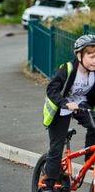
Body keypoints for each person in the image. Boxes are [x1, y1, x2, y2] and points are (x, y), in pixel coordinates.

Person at [42, 34, 95, 192]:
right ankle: (48, 186)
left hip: (81, 105)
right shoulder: (68, 69)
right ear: (79, 55)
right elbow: (51, 89)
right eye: (91, 56)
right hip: (60, 108)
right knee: (56, 149)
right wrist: (65, 103)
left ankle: (89, 162)